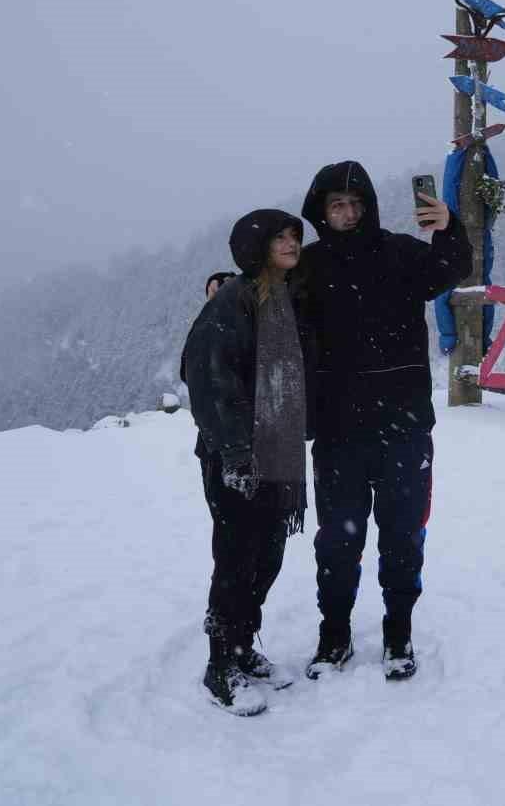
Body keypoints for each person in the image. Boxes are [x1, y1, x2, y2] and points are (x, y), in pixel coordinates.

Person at [297, 161, 472, 681]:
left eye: (354, 203)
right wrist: (224, 285)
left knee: (402, 534)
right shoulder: (306, 267)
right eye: (336, 205)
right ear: (321, 211)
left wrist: (449, 228)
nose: (347, 213)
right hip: (337, 428)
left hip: (403, 423)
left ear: (368, 206)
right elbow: (266, 298)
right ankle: (335, 634)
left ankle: (399, 631)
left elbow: (449, 269)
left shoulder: (399, 252)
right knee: (337, 538)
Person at [182, 210, 314, 716]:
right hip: (235, 457)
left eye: (295, 236)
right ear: (255, 247)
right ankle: (219, 666)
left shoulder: (285, 296)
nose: (290, 243)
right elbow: (211, 383)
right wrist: (236, 453)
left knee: (268, 557)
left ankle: (241, 646)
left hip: (279, 453)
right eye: (279, 237)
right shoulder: (231, 304)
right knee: (236, 560)